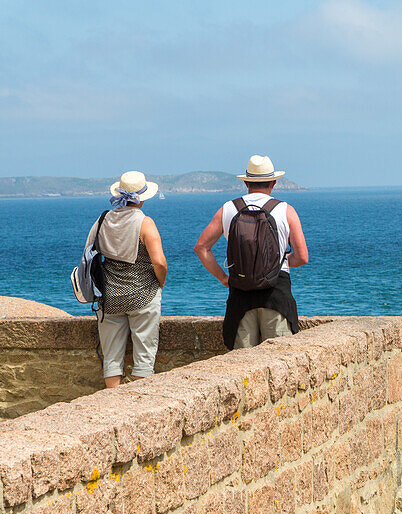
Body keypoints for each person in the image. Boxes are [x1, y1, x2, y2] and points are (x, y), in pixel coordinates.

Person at [193, 155, 309, 348]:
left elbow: (201, 247)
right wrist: (283, 260)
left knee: (242, 365)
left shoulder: (228, 209)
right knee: (278, 361)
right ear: (273, 182)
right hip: (276, 295)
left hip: (240, 294)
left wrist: (223, 278)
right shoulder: (285, 210)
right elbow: (303, 257)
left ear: (246, 182)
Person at [90, 171, 167, 388]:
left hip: (110, 295)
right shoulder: (145, 222)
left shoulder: (103, 219)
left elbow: (90, 254)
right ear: (142, 198)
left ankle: (114, 406)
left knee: (112, 359)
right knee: (144, 356)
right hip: (143, 295)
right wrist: (159, 284)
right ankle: (140, 406)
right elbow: (159, 262)